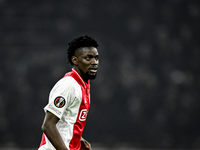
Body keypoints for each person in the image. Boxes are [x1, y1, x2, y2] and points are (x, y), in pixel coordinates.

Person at [38, 35, 99, 150]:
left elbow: (67, 121)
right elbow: (48, 125)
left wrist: (78, 140)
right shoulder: (68, 85)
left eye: (96, 58)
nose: (94, 62)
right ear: (75, 60)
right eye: (88, 58)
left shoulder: (83, 85)